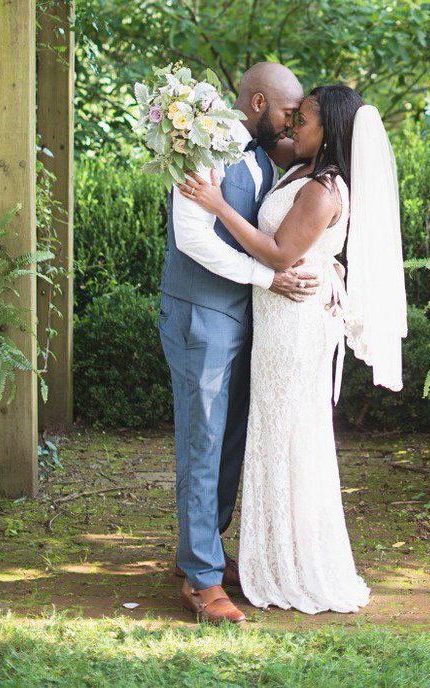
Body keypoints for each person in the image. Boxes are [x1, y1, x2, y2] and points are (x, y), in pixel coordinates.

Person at [180, 84, 407, 615]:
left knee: (289, 437)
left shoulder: (324, 188)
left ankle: (293, 564)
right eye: (294, 115)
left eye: (303, 119)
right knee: (273, 435)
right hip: (279, 319)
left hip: (295, 323)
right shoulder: (303, 168)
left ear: (329, 129)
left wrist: (218, 206)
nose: (292, 126)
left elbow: (281, 254)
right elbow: (255, 133)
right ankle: (267, 556)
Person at [158, 61, 319, 625]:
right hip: (200, 315)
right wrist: (266, 277)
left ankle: (202, 550)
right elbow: (192, 238)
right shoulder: (200, 145)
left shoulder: (264, 154)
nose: (292, 123)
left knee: (230, 441)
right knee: (202, 443)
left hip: (244, 317)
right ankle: (201, 581)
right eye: (288, 112)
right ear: (257, 104)